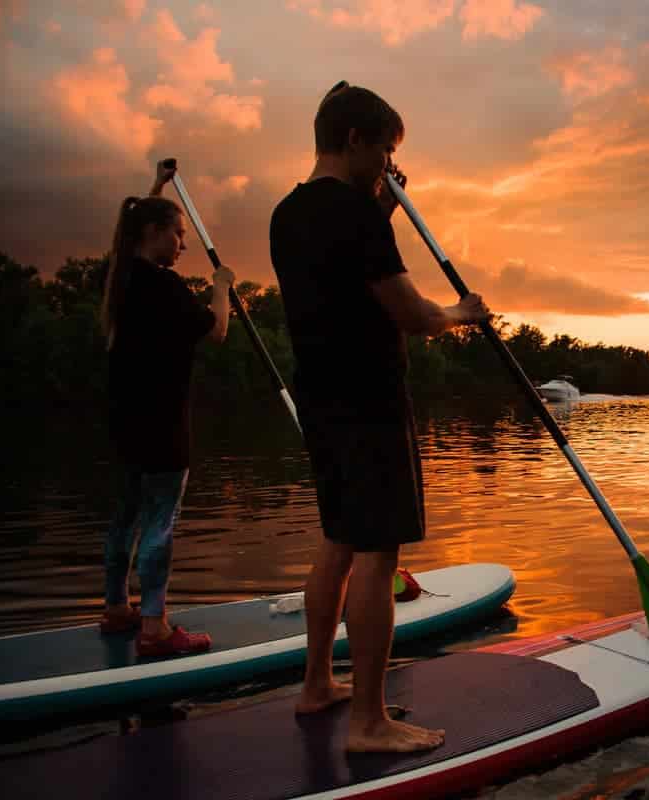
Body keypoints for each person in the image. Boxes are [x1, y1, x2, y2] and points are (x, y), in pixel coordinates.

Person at [269, 84, 489, 753]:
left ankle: (316, 685)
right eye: (386, 149)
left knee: (338, 539)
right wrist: (462, 314)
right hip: (367, 398)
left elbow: (343, 278)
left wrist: (382, 213)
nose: (389, 164)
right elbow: (413, 314)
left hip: (321, 398)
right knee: (376, 552)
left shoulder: (288, 212)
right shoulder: (354, 217)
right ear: (358, 139)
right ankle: (368, 721)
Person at [99, 161, 237, 657]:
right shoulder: (164, 286)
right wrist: (221, 285)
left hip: (124, 427)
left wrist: (155, 188)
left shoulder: (120, 277)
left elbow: (125, 234)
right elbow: (217, 331)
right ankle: (154, 627)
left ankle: (117, 608)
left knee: (125, 519)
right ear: (153, 233)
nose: (182, 244)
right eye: (178, 235)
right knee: (159, 523)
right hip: (162, 427)